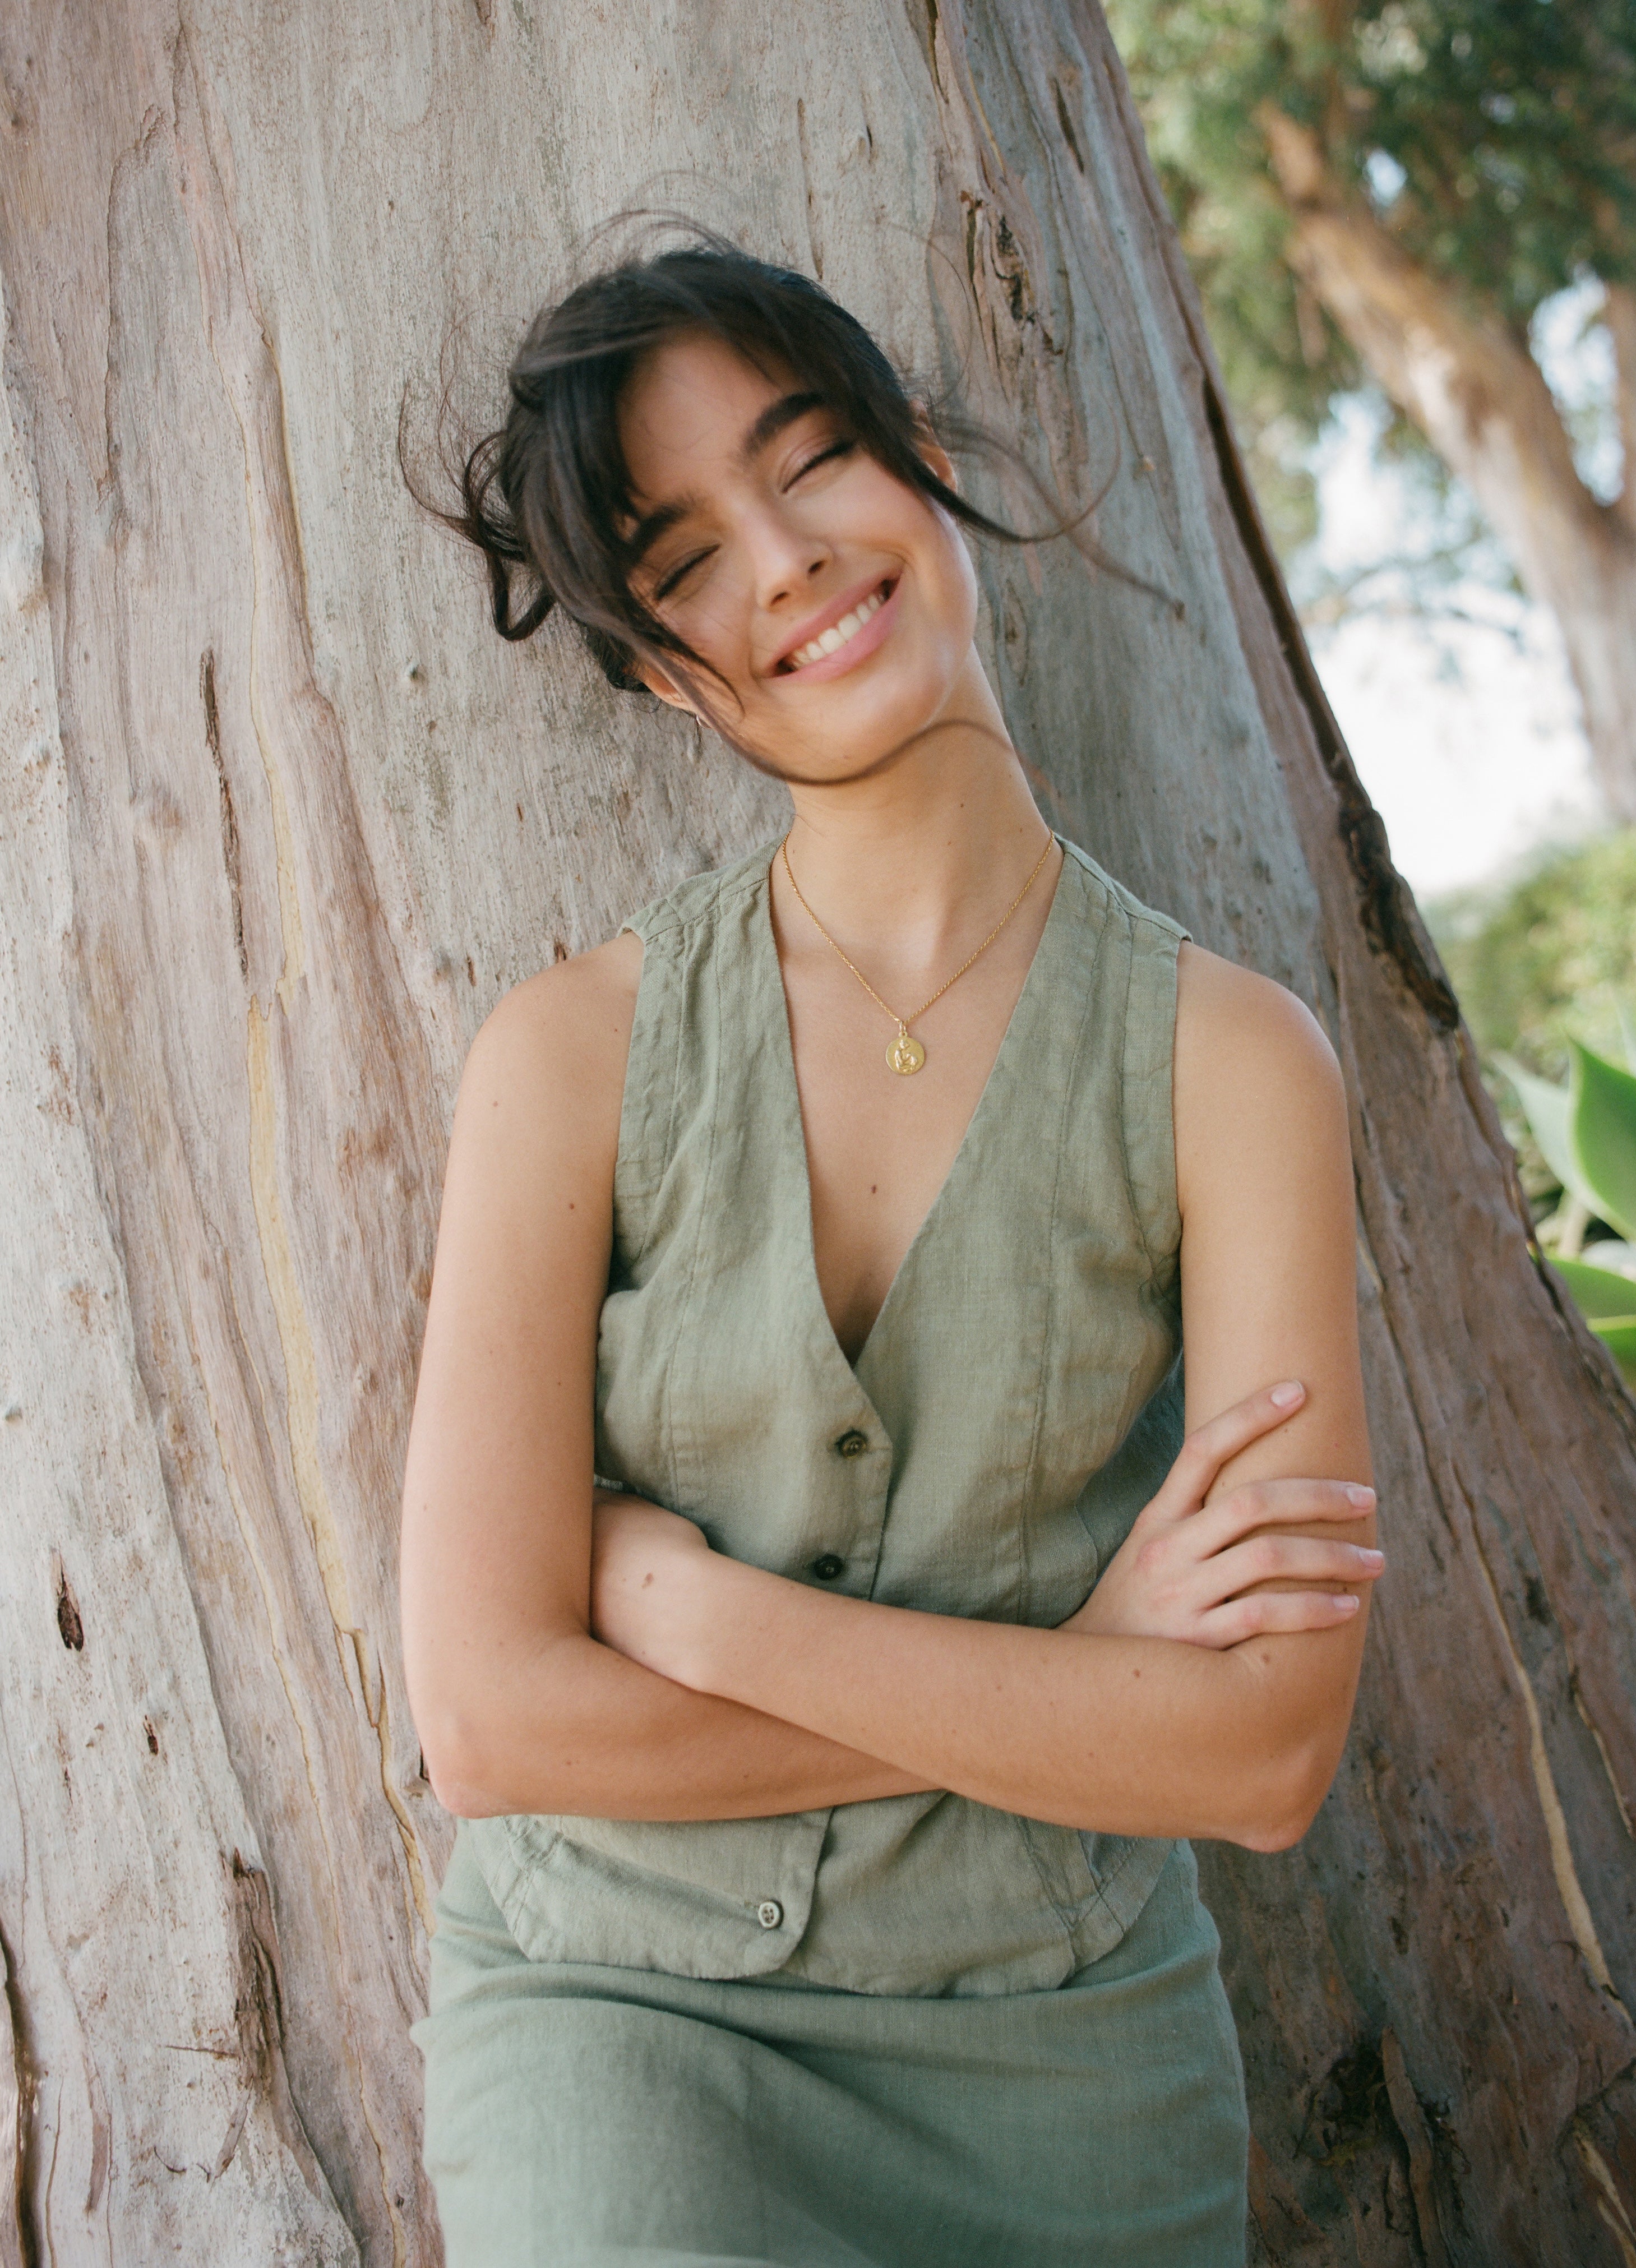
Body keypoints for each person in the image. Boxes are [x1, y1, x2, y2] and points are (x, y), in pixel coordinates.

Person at [400, 235, 1382, 2268]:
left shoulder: (1232, 1063)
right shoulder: (568, 1057)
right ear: (665, 667)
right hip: (621, 2017)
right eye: (684, 562)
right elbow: (496, 1723)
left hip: (1069, 2062)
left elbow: (1268, 1750)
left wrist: (699, 1615)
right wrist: (1088, 1685)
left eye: (815, 457)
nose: (786, 561)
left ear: (916, 460)